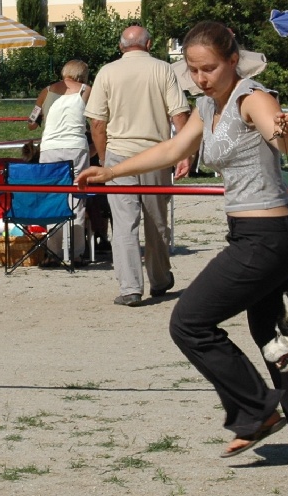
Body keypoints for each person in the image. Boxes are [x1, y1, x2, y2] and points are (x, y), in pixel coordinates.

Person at [76, 21, 288, 462]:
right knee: (272, 334)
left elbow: (282, 139)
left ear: (232, 60)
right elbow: (173, 150)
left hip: (268, 237)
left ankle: (255, 411)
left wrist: (286, 129)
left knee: (189, 322)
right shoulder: (207, 106)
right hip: (263, 234)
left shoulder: (253, 97)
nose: (200, 78)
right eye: (192, 70)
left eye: (208, 68)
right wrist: (111, 171)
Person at [84, 26, 191, 307]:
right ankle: (160, 279)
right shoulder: (164, 69)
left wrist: (104, 159)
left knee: (123, 224)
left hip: (119, 156)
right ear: (149, 44)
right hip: (157, 154)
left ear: (121, 46)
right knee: (157, 221)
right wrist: (184, 153)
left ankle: (130, 287)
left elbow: (97, 123)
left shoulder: (106, 72)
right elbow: (179, 113)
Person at [27, 59, 93, 267]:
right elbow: (96, 119)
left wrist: (41, 116)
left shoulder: (46, 91)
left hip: (50, 148)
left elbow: (31, 123)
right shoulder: (86, 90)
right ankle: (76, 252)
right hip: (76, 146)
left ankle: (53, 252)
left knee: (53, 198)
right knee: (77, 198)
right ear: (83, 75)